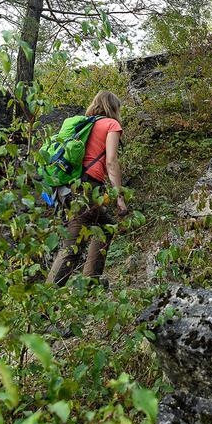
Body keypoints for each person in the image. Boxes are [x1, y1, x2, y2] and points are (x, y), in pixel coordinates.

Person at [47, 90, 128, 285]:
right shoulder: (111, 124)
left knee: (106, 227)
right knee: (72, 246)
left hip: (67, 189)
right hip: (88, 188)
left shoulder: (82, 124)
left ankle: (91, 281)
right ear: (113, 108)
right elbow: (111, 161)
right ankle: (46, 302)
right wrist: (120, 197)